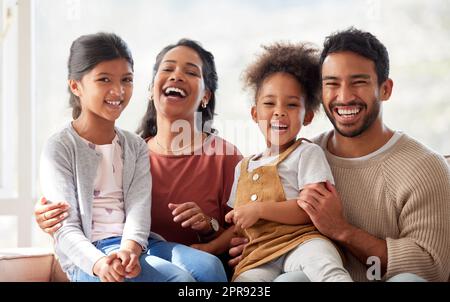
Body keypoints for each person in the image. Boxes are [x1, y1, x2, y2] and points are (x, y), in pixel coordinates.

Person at [230, 28, 450, 282]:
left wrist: (342, 230)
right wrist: (255, 246)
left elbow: (432, 268)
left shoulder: (424, 167)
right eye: (331, 84)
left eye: (359, 82)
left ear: (385, 89)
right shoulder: (299, 157)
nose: (344, 97)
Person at [35, 38, 241, 279]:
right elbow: (69, 221)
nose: (176, 76)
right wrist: (49, 217)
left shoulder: (223, 157)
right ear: (151, 88)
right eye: (168, 68)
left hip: (147, 248)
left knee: (210, 268)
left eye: (191, 71)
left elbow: (246, 223)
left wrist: (209, 230)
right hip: (108, 253)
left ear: (206, 96)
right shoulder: (138, 148)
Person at [217, 42, 352, 282]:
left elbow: (310, 210)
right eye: (269, 104)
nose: (279, 112)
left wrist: (258, 210)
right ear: (254, 113)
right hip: (259, 254)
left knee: (326, 267)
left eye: (291, 104)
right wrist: (210, 246)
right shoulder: (243, 167)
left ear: (307, 116)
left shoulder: (306, 153)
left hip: (302, 242)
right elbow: (239, 224)